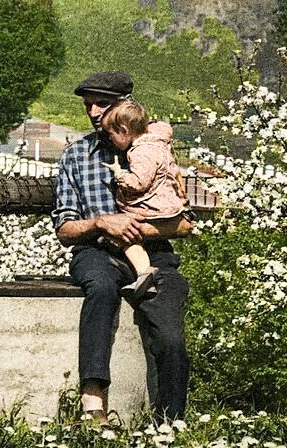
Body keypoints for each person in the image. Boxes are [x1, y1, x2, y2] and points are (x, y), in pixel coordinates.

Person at [52, 71, 189, 424]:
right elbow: (65, 229)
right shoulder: (77, 156)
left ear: (125, 108)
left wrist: (140, 228)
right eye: (88, 105)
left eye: (102, 104)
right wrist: (100, 223)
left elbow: (184, 222)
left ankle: (171, 419)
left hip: (152, 250)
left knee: (168, 320)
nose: (94, 112)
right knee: (99, 288)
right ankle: (92, 403)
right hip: (96, 250)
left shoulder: (154, 152)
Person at [99, 98, 189, 301]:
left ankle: (144, 272)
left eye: (111, 134)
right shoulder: (157, 143)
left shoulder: (141, 152)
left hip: (154, 208)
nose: (110, 139)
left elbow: (139, 182)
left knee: (125, 236)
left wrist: (120, 175)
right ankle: (144, 275)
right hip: (168, 204)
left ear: (123, 130)